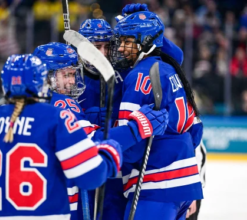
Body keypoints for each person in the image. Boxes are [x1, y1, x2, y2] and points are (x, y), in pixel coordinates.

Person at [0, 54, 124, 219]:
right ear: (42, 83)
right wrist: (109, 154)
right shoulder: (56, 117)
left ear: (4, 85)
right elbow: (91, 176)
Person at [32, 42, 170, 220]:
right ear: (46, 77)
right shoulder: (60, 103)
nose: (73, 81)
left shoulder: (26, 104)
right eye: (66, 75)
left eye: (74, 75)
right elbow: (91, 143)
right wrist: (139, 126)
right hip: (62, 202)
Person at [109, 10, 203, 220]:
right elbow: (196, 130)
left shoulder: (139, 76)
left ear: (145, 43)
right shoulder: (170, 70)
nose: (122, 48)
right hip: (185, 184)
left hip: (155, 184)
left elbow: (131, 150)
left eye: (128, 42)